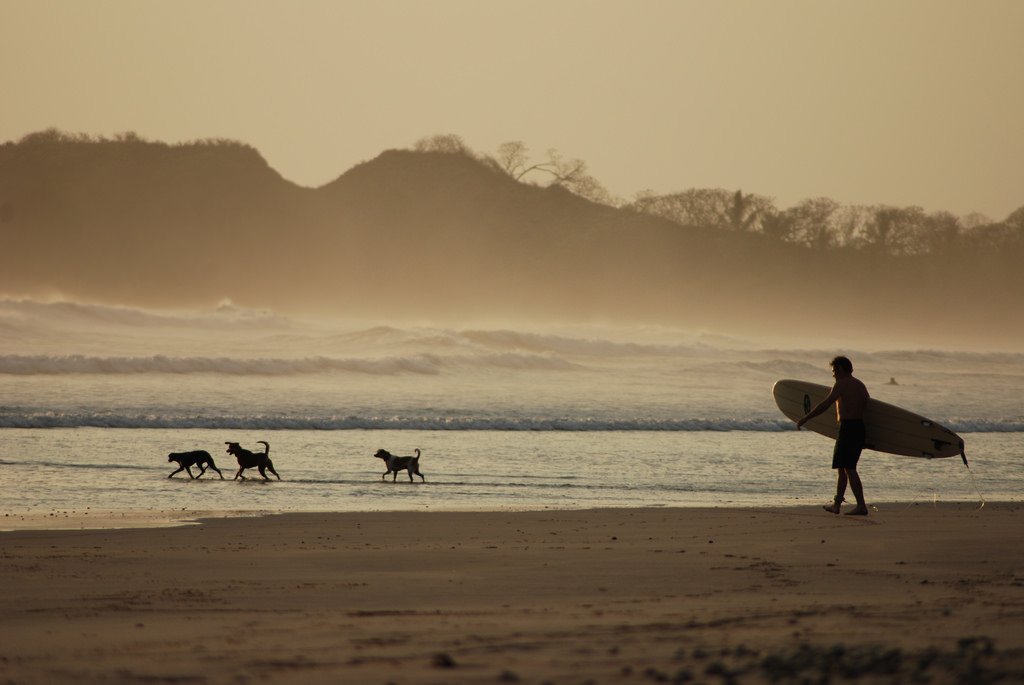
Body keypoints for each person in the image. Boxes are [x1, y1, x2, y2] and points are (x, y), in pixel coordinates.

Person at [796, 356, 870, 515]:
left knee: (848, 469)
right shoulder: (860, 385)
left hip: (848, 429)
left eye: (834, 371)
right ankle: (837, 504)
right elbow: (867, 410)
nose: (833, 375)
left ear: (842, 369)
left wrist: (806, 418)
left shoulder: (841, 384)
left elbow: (825, 404)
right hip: (859, 428)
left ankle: (861, 506)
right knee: (845, 468)